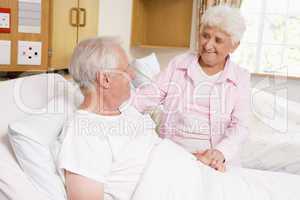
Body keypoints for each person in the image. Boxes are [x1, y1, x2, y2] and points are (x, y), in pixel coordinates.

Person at [57, 36, 300, 200]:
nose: (132, 74)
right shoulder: (85, 133)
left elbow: (155, 153)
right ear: (105, 79)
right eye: (126, 69)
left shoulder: (126, 111)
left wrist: (194, 160)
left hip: (200, 177)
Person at [133, 4, 249, 172]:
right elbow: (147, 96)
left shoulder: (240, 77)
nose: (208, 45)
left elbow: (241, 126)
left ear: (234, 45)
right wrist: (116, 110)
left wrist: (220, 152)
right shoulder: (179, 64)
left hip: (212, 160)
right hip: (174, 152)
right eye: (205, 36)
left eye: (218, 40)